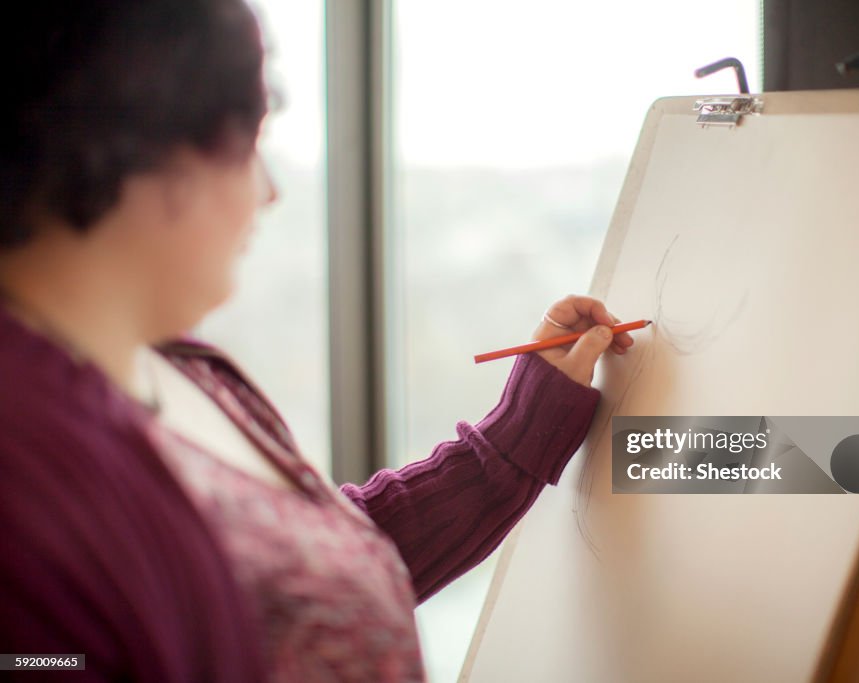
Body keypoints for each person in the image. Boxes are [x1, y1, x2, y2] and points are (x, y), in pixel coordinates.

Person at [0, 1, 636, 680]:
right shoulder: (26, 469)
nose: (269, 193)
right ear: (153, 154)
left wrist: (524, 425)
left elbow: (316, 568)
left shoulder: (181, 368)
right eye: (249, 148)